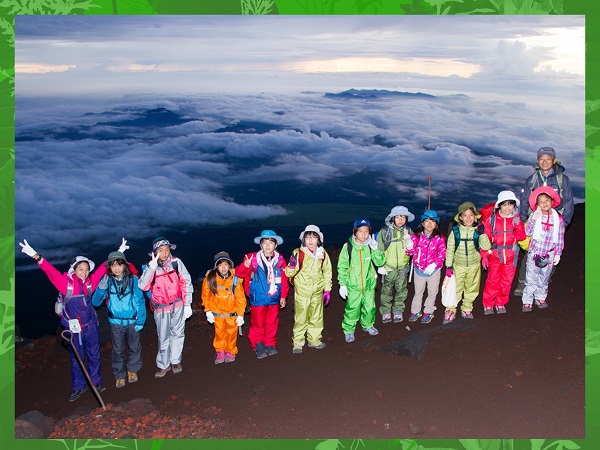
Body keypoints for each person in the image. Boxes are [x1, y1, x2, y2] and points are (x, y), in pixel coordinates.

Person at [18, 239, 127, 401]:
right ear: (74, 270)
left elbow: (103, 268)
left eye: (86, 269)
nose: (84, 272)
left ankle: (96, 382)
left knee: (94, 354)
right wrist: (36, 256)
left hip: (90, 326)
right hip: (74, 329)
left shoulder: (91, 282)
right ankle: (78, 387)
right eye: (80, 269)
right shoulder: (65, 284)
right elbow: (51, 272)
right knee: (77, 357)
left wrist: (119, 252)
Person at [514, 146, 574, 295]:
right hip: (535, 222)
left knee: (551, 252)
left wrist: (564, 224)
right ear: (537, 161)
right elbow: (525, 200)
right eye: (542, 159)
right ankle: (524, 283)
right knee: (531, 251)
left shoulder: (562, 180)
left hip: (555, 222)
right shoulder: (532, 180)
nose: (545, 162)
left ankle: (543, 280)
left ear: (554, 160)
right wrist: (523, 221)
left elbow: (569, 202)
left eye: (548, 159)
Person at [138, 237, 193, 378]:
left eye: (167, 250)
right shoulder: (150, 267)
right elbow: (143, 286)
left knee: (178, 333)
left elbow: (185, 281)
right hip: (161, 308)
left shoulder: (176, 263)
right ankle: (163, 365)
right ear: (154, 252)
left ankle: (175, 361)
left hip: (178, 304)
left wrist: (187, 304)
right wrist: (151, 267)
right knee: (163, 337)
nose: (164, 253)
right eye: (160, 251)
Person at [92, 251, 146, 388]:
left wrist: (141, 320)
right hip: (115, 322)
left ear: (124, 266)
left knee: (134, 346)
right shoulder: (106, 281)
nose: (116, 268)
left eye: (119, 265)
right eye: (113, 265)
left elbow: (140, 300)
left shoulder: (133, 279)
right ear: (109, 267)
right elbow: (96, 302)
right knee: (117, 349)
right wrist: (100, 289)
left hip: (132, 320)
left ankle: (133, 370)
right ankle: (119, 375)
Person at [235, 230, 289, 359]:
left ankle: (270, 343)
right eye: (264, 242)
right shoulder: (252, 258)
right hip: (257, 297)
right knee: (257, 323)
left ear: (276, 245)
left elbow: (284, 279)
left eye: (271, 242)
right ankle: (258, 344)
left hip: (274, 298)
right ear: (260, 245)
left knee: (272, 322)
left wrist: (283, 296)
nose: (267, 245)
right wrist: (245, 265)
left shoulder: (280, 260)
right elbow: (239, 273)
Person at [285, 225, 333, 354]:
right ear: (303, 239)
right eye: (308, 237)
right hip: (302, 293)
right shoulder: (298, 253)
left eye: (313, 237)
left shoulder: (323, 254)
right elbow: (289, 274)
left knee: (316, 318)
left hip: (317, 292)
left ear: (319, 239)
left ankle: (314, 339)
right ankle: (298, 342)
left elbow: (327, 272)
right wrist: (291, 265)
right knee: (301, 318)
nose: (311, 240)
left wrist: (327, 289)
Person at [338, 218, 385, 343]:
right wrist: (342, 284)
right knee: (352, 308)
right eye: (360, 231)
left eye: (366, 231)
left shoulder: (370, 246)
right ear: (354, 232)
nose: (364, 234)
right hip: (353, 285)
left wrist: (376, 250)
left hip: (369, 285)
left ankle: (368, 325)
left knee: (370, 308)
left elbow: (380, 262)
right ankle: (348, 330)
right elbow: (342, 266)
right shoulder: (348, 247)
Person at [442, 202, 491, 323]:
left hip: (474, 266)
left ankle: (467, 308)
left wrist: (482, 234)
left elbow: (486, 246)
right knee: (455, 288)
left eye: (471, 215)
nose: (468, 218)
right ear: (460, 217)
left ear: (475, 216)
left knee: (472, 288)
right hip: (458, 266)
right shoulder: (456, 232)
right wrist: (448, 266)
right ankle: (450, 310)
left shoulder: (478, 231)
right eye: (465, 215)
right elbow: (450, 250)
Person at [480, 191, 527, 314]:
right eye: (504, 205)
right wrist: (484, 255)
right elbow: (485, 239)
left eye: (510, 204)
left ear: (514, 206)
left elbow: (521, 237)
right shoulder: (492, 220)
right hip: (495, 255)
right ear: (499, 206)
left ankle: (501, 302)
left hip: (511, 255)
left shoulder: (515, 219)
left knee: (507, 281)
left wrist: (518, 224)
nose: (507, 208)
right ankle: (488, 303)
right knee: (492, 280)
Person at [522, 186, 565, 312]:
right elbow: (527, 232)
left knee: (544, 277)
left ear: (552, 201)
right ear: (537, 205)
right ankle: (527, 300)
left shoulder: (558, 218)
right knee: (531, 277)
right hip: (535, 252)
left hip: (549, 253)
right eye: (540, 202)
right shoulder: (536, 216)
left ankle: (540, 297)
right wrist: (533, 219)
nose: (544, 203)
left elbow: (560, 236)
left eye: (546, 200)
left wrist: (558, 253)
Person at [201, 251, 246, 364]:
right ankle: (220, 351)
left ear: (230, 266)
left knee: (231, 333)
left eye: (226, 265)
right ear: (216, 267)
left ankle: (230, 350)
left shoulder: (234, 280)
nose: (223, 268)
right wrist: (208, 311)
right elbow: (205, 295)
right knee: (219, 333)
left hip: (232, 314)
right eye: (220, 265)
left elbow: (241, 298)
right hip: (217, 314)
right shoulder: (210, 279)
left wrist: (240, 314)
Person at [405, 210, 446, 324]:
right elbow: (410, 253)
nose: (429, 224)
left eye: (432, 221)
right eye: (427, 221)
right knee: (418, 291)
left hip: (434, 270)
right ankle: (415, 310)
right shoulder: (416, 236)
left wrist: (434, 265)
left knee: (432, 291)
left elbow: (442, 255)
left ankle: (428, 311)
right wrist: (408, 246)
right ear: (422, 223)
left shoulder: (439, 238)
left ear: (436, 224)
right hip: (419, 270)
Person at [376, 206, 415, 324]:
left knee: (401, 290)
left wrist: (410, 242)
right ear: (393, 218)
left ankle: (398, 310)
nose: (400, 219)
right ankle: (386, 311)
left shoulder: (408, 231)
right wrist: (380, 265)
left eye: (403, 217)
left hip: (403, 268)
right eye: (398, 217)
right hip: (389, 268)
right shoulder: (385, 232)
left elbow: (413, 248)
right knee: (386, 290)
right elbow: (379, 250)